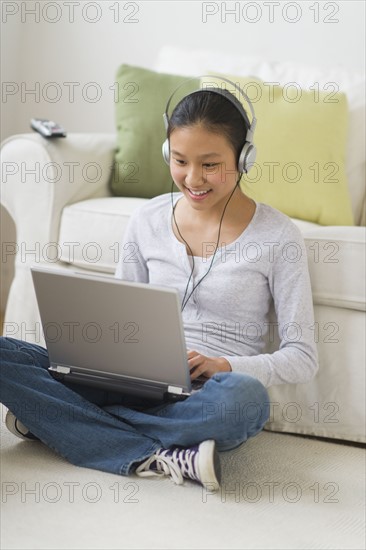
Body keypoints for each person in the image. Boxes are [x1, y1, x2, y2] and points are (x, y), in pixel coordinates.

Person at [0, 84, 318, 492]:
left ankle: (63, 422)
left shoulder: (278, 237)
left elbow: (303, 356)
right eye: (181, 161)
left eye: (210, 164)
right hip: (131, 381)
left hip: (207, 396)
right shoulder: (145, 220)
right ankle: (164, 453)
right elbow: (120, 313)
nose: (193, 178)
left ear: (244, 158)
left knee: (247, 401)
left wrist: (226, 365)